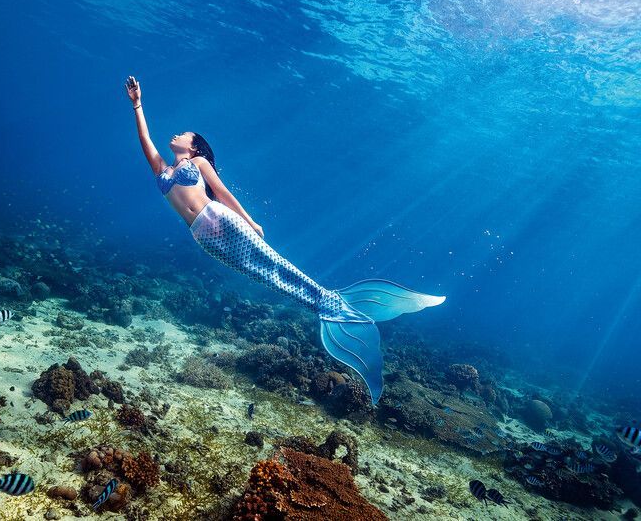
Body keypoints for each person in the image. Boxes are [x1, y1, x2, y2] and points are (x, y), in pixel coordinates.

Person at [125, 75, 445, 406]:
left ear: (193, 146)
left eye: (184, 134)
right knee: (265, 276)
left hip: (219, 219)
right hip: (202, 236)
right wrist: (138, 104)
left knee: (276, 264)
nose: (176, 134)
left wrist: (251, 221)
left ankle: (332, 302)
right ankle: (328, 310)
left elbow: (221, 193)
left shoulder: (198, 162)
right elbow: (144, 138)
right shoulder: (161, 170)